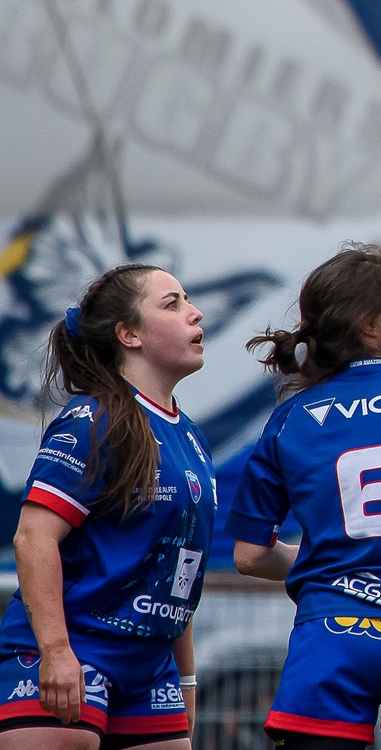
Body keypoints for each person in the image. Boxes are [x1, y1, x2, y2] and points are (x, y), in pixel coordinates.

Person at [228, 244, 381, 750]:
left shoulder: (292, 418)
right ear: (367, 326)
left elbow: (250, 555)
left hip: (335, 632)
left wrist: (332, 559)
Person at [0, 265, 213, 750]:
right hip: (76, 651)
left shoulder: (190, 437)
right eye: (173, 303)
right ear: (129, 334)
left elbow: (178, 567)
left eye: (187, 299)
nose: (195, 312)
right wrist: (56, 651)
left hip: (150, 668)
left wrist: (185, 679)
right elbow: (32, 538)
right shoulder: (92, 420)